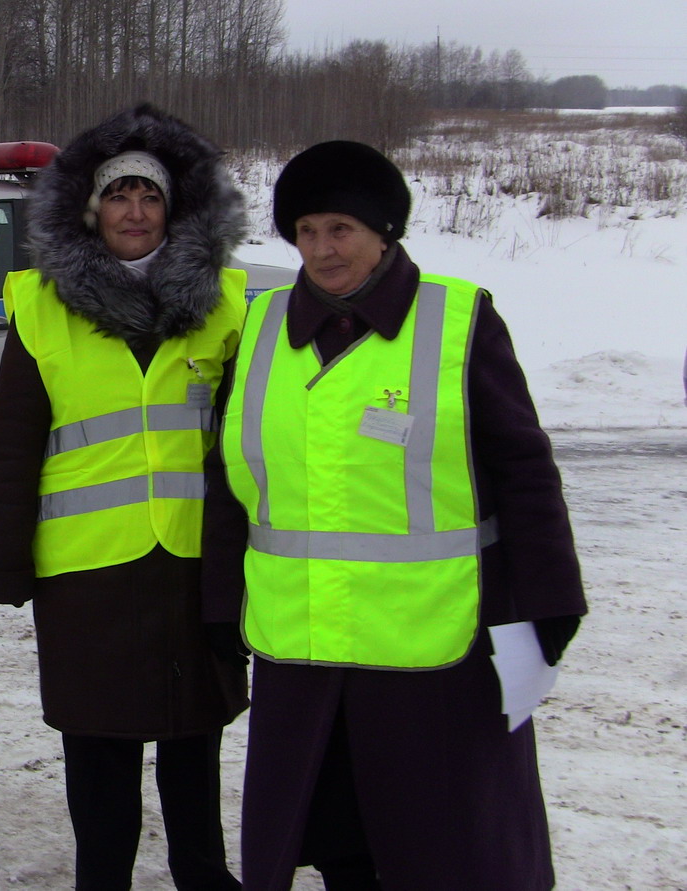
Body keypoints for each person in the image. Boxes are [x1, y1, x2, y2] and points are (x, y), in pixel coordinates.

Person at [201, 140, 587, 890]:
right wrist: (221, 602)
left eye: (339, 228)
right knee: (333, 831)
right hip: (304, 645)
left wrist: (550, 596)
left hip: (431, 648)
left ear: (384, 231)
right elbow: (230, 479)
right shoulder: (260, 327)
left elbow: (524, 471)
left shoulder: (459, 321)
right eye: (305, 231)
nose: (321, 249)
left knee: (442, 847)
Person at [0, 104, 250, 890]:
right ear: (92, 208)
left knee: (195, 740)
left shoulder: (225, 305)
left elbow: (244, 446)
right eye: (120, 194)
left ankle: (203, 872)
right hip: (87, 574)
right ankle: (103, 878)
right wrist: (3, 559)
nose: (135, 210)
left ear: (176, 209)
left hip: (194, 566)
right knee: (98, 752)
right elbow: (15, 442)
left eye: (151, 195)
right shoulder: (40, 304)